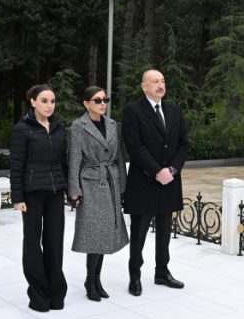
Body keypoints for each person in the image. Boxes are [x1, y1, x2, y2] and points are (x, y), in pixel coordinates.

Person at [122, 69, 188, 296]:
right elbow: (134, 145)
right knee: (139, 232)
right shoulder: (133, 111)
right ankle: (134, 276)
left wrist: (171, 170)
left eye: (162, 81)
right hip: (144, 181)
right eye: (155, 81)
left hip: (170, 180)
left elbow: (183, 144)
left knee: (165, 230)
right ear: (144, 86)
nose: (160, 85)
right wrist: (156, 171)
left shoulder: (174, 110)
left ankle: (162, 272)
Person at [10, 84, 69, 312]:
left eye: (52, 101)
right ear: (33, 102)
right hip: (32, 193)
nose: (49, 105)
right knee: (33, 243)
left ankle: (56, 293)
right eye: (44, 101)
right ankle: (38, 295)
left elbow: (64, 162)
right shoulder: (22, 129)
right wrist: (17, 197)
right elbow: (16, 165)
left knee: (54, 242)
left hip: (55, 193)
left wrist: (70, 190)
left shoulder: (58, 127)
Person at [68, 87, 130, 301]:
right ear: (86, 104)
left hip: (111, 182)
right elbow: (74, 159)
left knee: (105, 233)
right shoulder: (78, 126)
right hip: (90, 185)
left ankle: (96, 279)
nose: (102, 103)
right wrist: (74, 191)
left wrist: (122, 186)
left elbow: (119, 157)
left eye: (105, 99)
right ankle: (90, 281)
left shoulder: (112, 125)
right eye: (97, 100)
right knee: (94, 233)